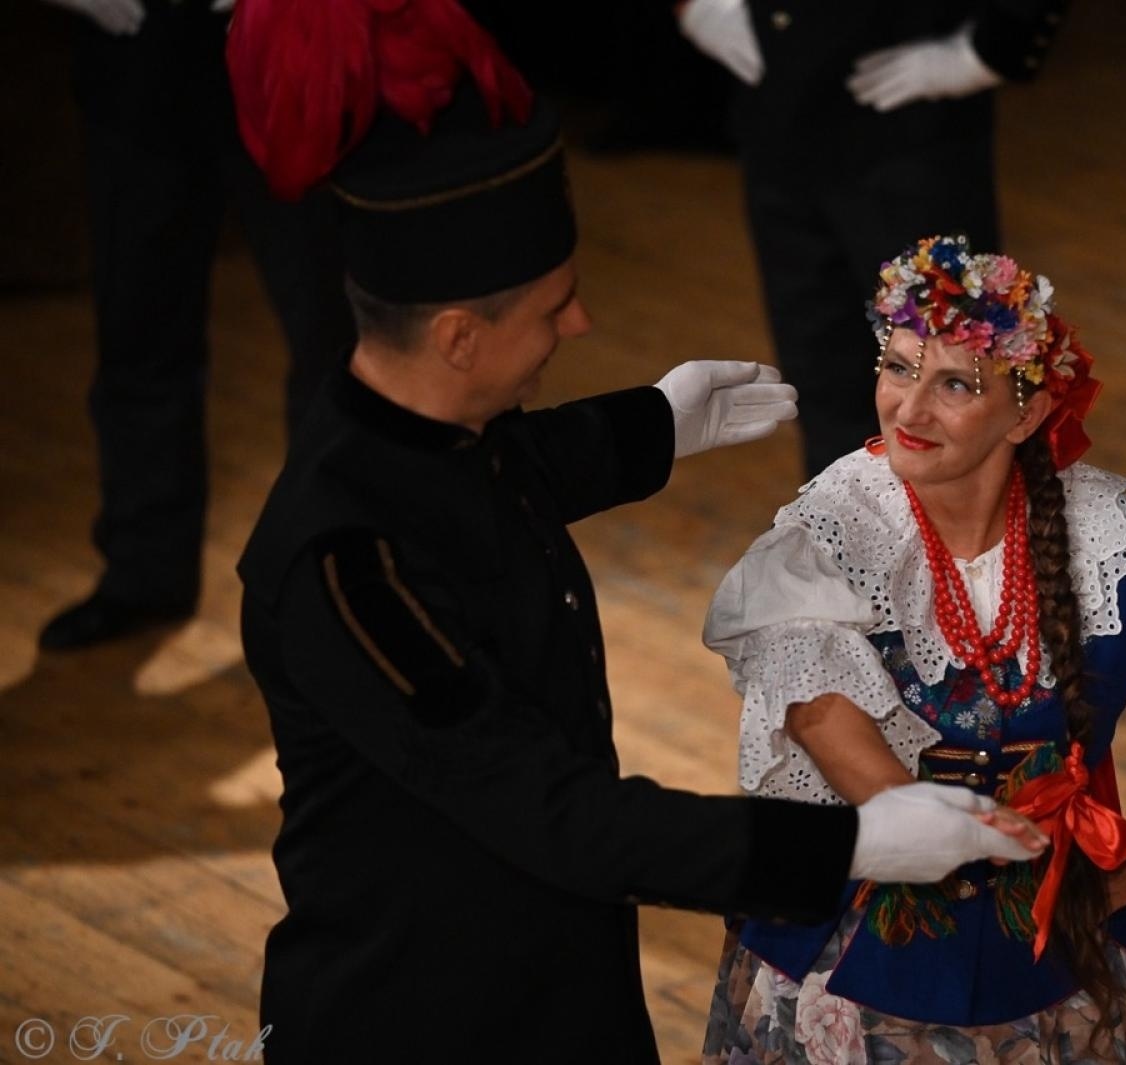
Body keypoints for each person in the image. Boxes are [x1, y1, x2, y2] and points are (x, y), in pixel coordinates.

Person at [226, 5, 1045, 1061]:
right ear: (458, 337)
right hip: (426, 1007)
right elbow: (552, 812)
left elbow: (499, 476)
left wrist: (653, 423)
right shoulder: (344, 566)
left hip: (556, 970)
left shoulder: (426, 441)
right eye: (553, 308)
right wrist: (848, 843)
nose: (580, 327)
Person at [700, 235, 1126, 1062]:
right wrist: (917, 821)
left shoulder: (1106, 538)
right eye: (898, 368)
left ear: (1027, 412)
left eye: (956, 383)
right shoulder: (837, 531)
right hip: (854, 954)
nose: (910, 409)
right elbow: (822, 713)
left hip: (1063, 950)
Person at [35, 0, 355, 650]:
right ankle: (144, 571)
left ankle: (337, 581)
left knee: (330, 332)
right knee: (137, 322)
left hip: (280, 32)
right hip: (135, 45)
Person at [678, 0, 1068, 479]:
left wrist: (997, 46)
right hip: (778, 111)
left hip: (909, 126)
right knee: (820, 377)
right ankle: (846, 543)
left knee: (955, 383)